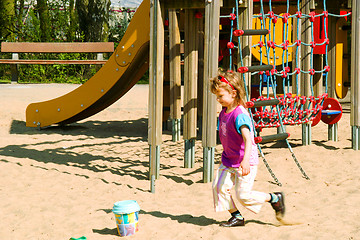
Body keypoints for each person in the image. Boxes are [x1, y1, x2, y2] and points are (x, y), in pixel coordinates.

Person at [210, 69, 285, 227]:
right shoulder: (224, 112)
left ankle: (274, 198)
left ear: (233, 93)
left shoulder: (240, 115)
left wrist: (245, 161)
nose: (218, 99)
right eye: (217, 96)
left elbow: (248, 139)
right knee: (219, 187)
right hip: (228, 159)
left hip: (245, 161)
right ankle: (236, 216)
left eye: (221, 96)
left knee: (243, 195)